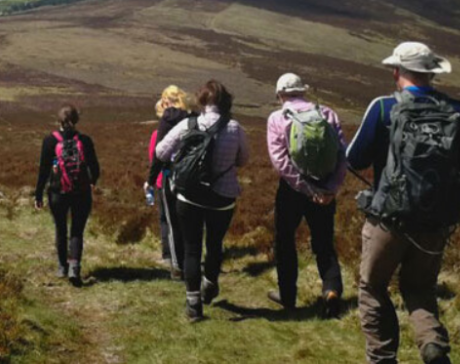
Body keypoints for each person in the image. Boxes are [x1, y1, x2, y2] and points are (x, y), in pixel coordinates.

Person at [348, 42, 460, 364]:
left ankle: (382, 358)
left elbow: (354, 157)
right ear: (432, 73)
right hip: (435, 223)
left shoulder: (382, 108)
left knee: (373, 288)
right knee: (420, 289)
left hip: (388, 220)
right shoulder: (459, 111)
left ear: (396, 71)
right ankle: (433, 346)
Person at [156, 80, 249, 321]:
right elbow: (243, 160)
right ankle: (210, 282)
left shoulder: (188, 124)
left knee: (192, 248)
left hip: (189, 197)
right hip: (223, 197)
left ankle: (193, 304)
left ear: (202, 100)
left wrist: (183, 158)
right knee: (215, 243)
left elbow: (161, 152)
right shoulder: (235, 128)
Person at [265, 73, 347, 318]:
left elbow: (280, 161)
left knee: (285, 240)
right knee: (323, 241)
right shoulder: (328, 114)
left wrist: (305, 188)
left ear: (280, 94)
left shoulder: (277, 118)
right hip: (325, 188)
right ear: (303, 91)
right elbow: (343, 156)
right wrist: (330, 188)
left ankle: (288, 296)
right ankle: (332, 290)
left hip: (292, 191)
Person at [35, 104, 101, 285]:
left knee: (60, 228)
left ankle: (62, 267)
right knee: (77, 231)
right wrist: (92, 181)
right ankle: (75, 267)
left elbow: (43, 170)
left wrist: (38, 195)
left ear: (58, 120)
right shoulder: (85, 140)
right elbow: (94, 167)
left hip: (58, 192)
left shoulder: (50, 141)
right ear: (77, 120)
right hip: (81, 192)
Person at [145, 85, 192, 278]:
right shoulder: (193, 117)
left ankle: (176, 265)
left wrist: (150, 179)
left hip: (170, 174)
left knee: (171, 221)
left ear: (165, 101)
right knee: (189, 221)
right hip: (191, 174)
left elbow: (159, 153)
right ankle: (191, 259)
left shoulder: (167, 119)